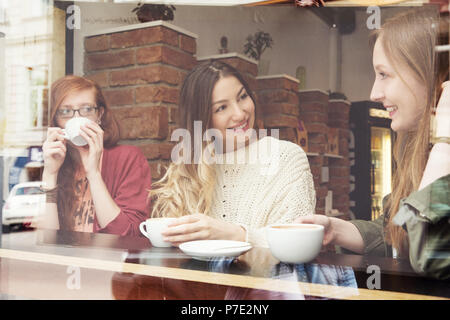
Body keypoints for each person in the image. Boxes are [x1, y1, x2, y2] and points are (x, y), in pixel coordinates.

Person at [296, 8, 450, 280]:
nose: (374, 93)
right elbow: (398, 228)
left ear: (432, 77)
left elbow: (432, 254)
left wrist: (446, 140)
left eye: (384, 75)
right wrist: (337, 229)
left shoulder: (442, 150)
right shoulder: (416, 146)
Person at [149, 60, 316, 247]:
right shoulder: (189, 168)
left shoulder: (287, 157)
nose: (239, 114)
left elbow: (299, 244)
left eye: (242, 97)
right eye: (221, 108)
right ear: (203, 120)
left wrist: (236, 234)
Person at [40, 75, 152, 236]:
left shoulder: (127, 158)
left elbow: (128, 235)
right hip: (65, 260)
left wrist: (93, 173)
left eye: (86, 109)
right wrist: (50, 175)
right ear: (56, 120)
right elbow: (46, 240)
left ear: (99, 115)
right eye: (65, 111)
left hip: (108, 261)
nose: (76, 118)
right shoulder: (54, 160)